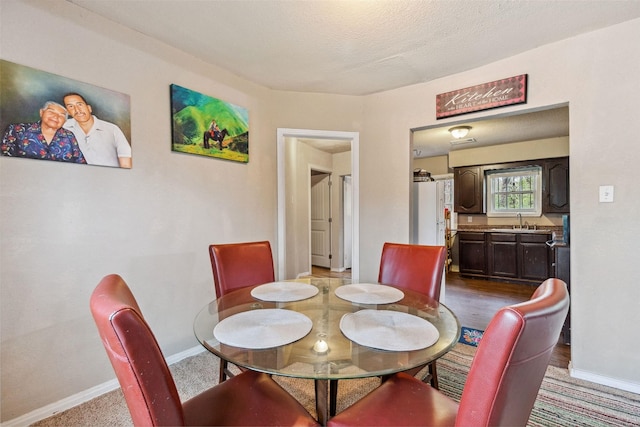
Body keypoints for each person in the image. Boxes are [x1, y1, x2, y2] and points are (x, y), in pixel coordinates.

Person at [1, 101, 86, 164]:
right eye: (51, 112)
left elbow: (80, 162)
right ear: (41, 113)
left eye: (61, 115)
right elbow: (4, 161)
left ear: (65, 121)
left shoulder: (69, 136)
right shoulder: (17, 130)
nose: (56, 117)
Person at [62, 92, 132, 168]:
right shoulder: (63, 127)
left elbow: (126, 162)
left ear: (89, 108)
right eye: (71, 106)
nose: (77, 110)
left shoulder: (112, 129)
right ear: (68, 112)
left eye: (80, 104)